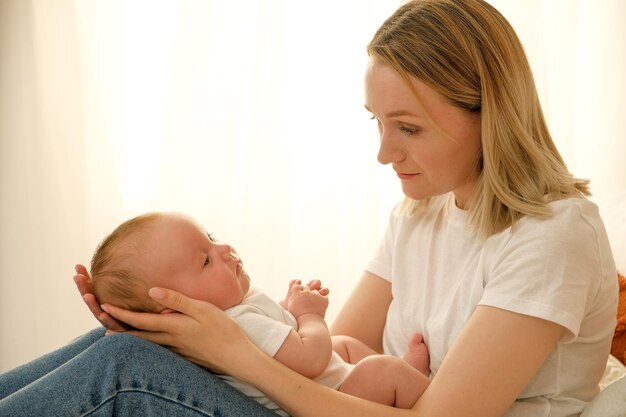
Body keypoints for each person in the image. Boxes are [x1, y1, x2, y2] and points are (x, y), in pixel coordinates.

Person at [0, 0, 618, 416]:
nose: (383, 154)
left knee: (123, 368)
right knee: (126, 340)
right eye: (377, 123)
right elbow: (339, 345)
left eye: (408, 128)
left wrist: (235, 352)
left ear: (491, 113)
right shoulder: (420, 214)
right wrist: (177, 329)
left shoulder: (552, 233)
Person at [88, 211, 430, 414]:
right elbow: (310, 359)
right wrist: (309, 315)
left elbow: (274, 338)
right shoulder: (239, 322)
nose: (224, 250)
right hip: (319, 404)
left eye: (211, 238)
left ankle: (402, 382)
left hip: (316, 388)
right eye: (205, 260)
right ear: (172, 306)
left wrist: (286, 310)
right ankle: (416, 389)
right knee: (378, 369)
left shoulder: (230, 315)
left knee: (345, 345)